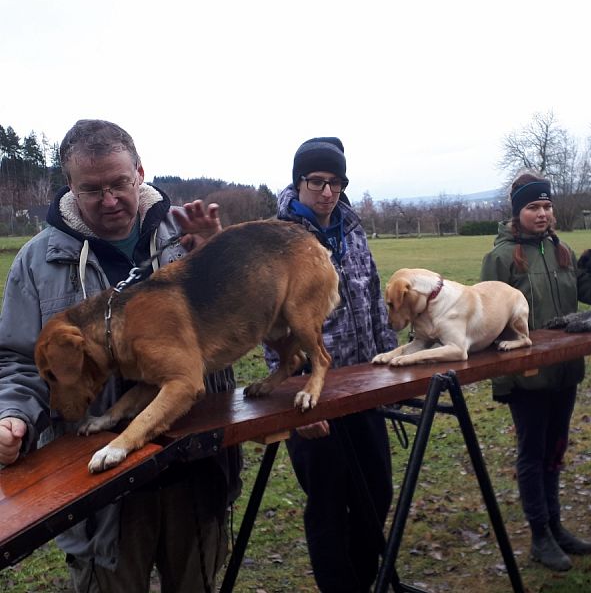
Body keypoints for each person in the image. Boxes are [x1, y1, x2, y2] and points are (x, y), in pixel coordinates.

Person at [0, 119, 242, 593]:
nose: (110, 200)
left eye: (119, 184)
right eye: (92, 189)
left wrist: (218, 256)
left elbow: (239, 319)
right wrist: (13, 416)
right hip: (98, 487)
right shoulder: (37, 263)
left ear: (140, 173)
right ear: (69, 186)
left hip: (195, 467)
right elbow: (17, 362)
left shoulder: (183, 238)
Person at [263, 137, 397, 592]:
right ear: (298, 182)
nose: (327, 191)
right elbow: (270, 326)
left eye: (336, 182)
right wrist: (296, 394)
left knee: (376, 492)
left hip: (365, 385)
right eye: (317, 181)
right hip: (312, 393)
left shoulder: (352, 229)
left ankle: (364, 581)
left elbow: (374, 298)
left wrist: (392, 364)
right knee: (328, 502)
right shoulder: (278, 239)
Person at [480, 169, 591, 572]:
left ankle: (557, 525)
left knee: (555, 449)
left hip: (565, 370)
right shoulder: (499, 258)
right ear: (518, 212)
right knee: (532, 453)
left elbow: (589, 292)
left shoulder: (563, 250)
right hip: (527, 375)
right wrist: (505, 379)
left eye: (547, 205)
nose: (543, 213)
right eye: (534, 207)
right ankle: (539, 535)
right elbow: (486, 322)